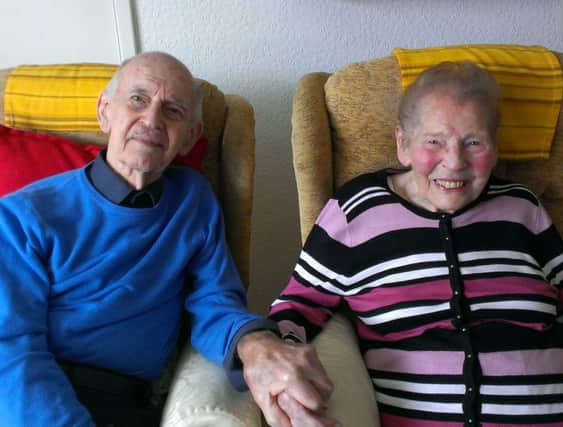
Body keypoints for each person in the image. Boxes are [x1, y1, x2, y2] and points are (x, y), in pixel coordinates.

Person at [0, 51, 334, 427]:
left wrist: (257, 346)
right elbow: (9, 348)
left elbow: (214, 301)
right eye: (138, 99)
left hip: (133, 405)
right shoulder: (21, 215)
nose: (152, 119)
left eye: (173, 110)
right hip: (38, 398)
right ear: (105, 111)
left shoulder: (193, 199)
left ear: (191, 137)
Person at [269, 61, 563, 426]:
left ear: (496, 144)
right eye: (434, 142)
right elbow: (297, 307)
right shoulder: (357, 211)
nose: (454, 162)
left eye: (474, 142)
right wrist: (283, 370)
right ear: (403, 144)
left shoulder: (522, 207)